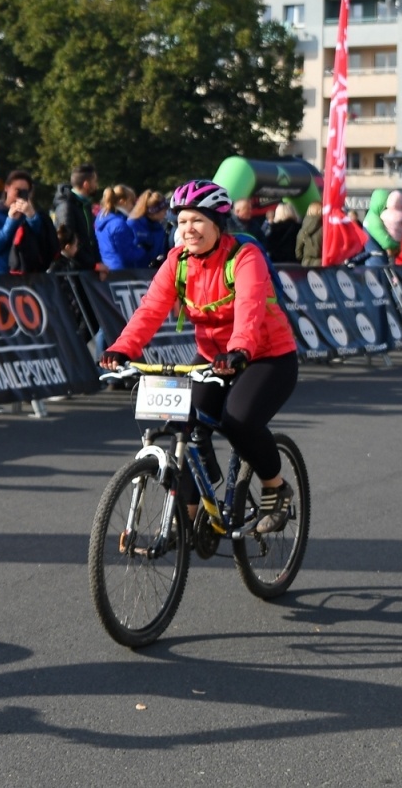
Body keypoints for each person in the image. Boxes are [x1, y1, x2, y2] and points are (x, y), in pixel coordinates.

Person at [100, 179, 299, 532]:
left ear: (218, 224)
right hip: (213, 358)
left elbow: (249, 308)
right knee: (183, 424)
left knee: (237, 420)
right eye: (182, 221)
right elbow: (150, 310)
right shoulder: (177, 262)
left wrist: (239, 350)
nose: (188, 230)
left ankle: (276, 487)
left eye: (197, 221)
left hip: (266, 355)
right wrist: (122, 348)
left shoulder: (244, 256)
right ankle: (190, 516)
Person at [0, 170, 55, 274]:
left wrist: (32, 216)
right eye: (17, 190)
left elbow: (41, 238)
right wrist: (11, 220)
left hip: (24, 272)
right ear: (7, 188)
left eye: (25, 191)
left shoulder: (29, 213)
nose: (20, 195)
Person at [53, 163, 103, 273]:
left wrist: (98, 263)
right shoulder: (66, 207)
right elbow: (67, 242)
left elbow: (91, 238)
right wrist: (92, 265)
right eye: (94, 181)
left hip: (87, 269)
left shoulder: (85, 204)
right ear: (86, 184)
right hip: (73, 271)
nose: (96, 185)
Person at [95, 183, 145, 271]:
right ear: (123, 201)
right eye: (132, 203)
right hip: (121, 272)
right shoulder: (119, 224)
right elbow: (128, 254)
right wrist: (142, 249)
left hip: (108, 268)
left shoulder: (102, 219)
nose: (134, 207)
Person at [130, 190, 171, 267]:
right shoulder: (133, 225)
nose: (166, 212)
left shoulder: (159, 228)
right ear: (154, 211)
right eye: (164, 210)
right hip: (134, 273)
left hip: (152, 272)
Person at [264, 201, 301, 266]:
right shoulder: (298, 227)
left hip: (278, 263)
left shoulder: (274, 229)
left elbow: (268, 246)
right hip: (295, 262)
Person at [296, 201, 323, 267]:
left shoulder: (304, 227)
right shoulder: (324, 228)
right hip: (321, 262)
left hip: (306, 262)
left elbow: (298, 252)